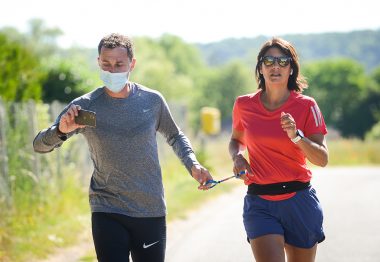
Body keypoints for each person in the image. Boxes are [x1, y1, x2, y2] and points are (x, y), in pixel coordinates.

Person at [33, 33, 213, 262]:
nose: (112, 70)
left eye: (119, 64)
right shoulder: (85, 108)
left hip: (150, 209)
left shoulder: (152, 101)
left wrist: (193, 165)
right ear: (98, 62)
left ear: (132, 64)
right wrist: (60, 131)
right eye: (106, 64)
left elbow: (175, 136)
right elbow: (39, 145)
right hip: (107, 209)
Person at [229, 37, 328, 262]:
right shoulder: (244, 105)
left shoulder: (306, 105)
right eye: (269, 61)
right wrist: (237, 157)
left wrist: (297, 136)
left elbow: (322, 158)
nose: (275, 66)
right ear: (260, 68)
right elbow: (236, 140)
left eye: (283, 61)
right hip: (260, 201)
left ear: (291, 69)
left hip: (299, 201)